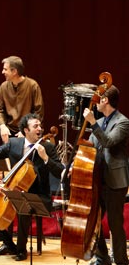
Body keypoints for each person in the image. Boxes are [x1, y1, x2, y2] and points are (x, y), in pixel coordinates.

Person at [0, 113, 63, 261]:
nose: (40, 129)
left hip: (39, 196)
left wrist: (46, 158)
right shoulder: (14, 144)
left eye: (40, 126)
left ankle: (21, 250)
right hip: (14, 192)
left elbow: (61, 171)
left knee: (24, 207)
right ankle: (9, 245)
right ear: (25, 130)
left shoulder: (47, 147)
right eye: (35, 126)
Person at [0, 56, 44, 183]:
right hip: (8, 126)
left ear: (14, 71)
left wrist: (25, 130)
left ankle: (18, 177)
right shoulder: (3, 86)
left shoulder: (33, 85)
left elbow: (38, 112)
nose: (2, 72)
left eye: (5, 69)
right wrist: (2, 126)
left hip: (26, 129)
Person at [82, 85, 129, 265]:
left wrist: (93, 123)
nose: (95, 102)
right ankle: (102, 257)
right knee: (93, 220)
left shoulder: (123, 122)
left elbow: (108, 142)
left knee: (115, 223)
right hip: (98, 178)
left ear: (105, 100)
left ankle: (121, 260)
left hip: (115, 180)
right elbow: (92, 147)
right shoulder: (100, 122)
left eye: (98, 98)